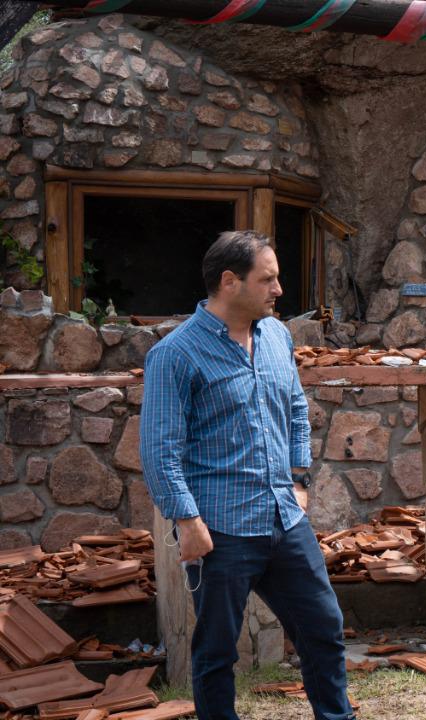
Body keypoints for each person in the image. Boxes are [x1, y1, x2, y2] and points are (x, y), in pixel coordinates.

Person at [140, 231, 354, 720]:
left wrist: (298, 479)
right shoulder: (175, 355)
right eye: (269, 279)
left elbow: (297, 409)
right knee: (217, 651)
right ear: (230, 282)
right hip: (220, 530)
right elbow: (158, 449)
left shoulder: (277, 336)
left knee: (323, 629)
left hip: (284, 516)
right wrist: (186, 520)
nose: (279, 290)